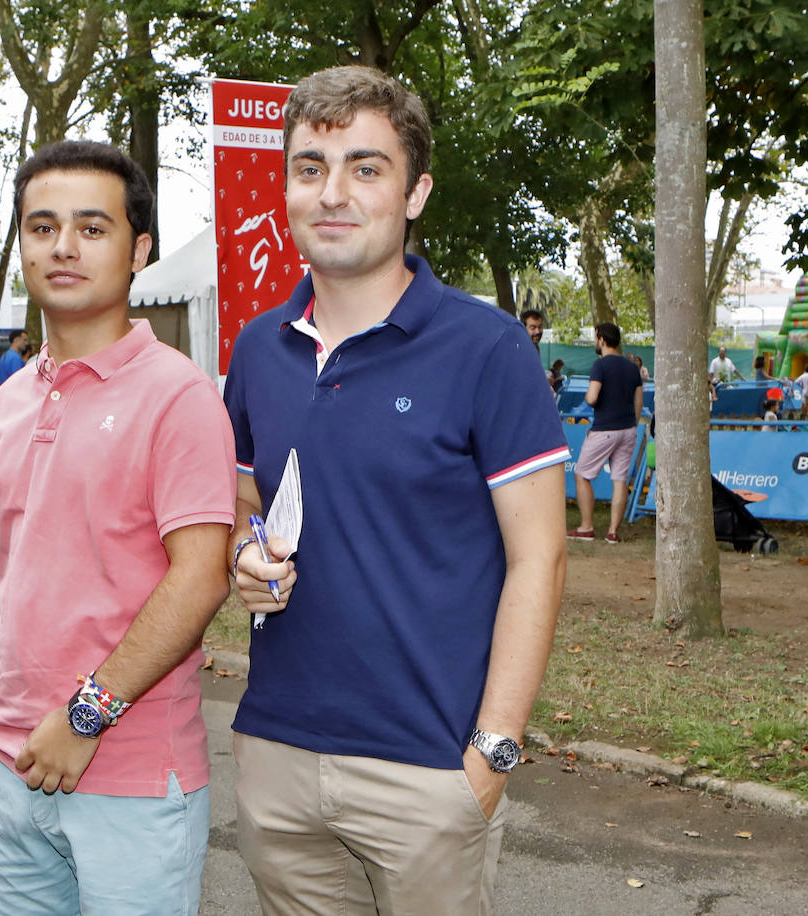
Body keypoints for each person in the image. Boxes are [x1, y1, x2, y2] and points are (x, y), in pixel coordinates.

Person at [223, 67, 568, 914]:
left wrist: (494, 752)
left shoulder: (488, 349)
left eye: (365, 168)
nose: (332, 193)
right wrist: (244, 554)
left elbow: (540, 559)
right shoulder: (257, 349)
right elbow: (243, 504)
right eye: (310, 167)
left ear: (415, 193)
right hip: (277, 751)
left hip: (429, 765)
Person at [0, 140, 236, 915]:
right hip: (6, 761)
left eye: (91, 229)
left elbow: (201, 574)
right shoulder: (9, 399)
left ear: (138, 251)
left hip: (128, 778)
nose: (63, 247)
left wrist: (85, 714)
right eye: (42, 227)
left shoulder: (179, 396)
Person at [569, 322, 644, 544]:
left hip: (604, 429)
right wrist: (632, 423)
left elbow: (592, 398)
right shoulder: (632, 368)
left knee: (582, 474)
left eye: (595, 337)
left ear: (601, 339)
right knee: (620, 479)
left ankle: (586, 527)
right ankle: (612, 532)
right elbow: (638, 401)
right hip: (628, 429)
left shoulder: (600, 366)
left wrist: (587, 399)